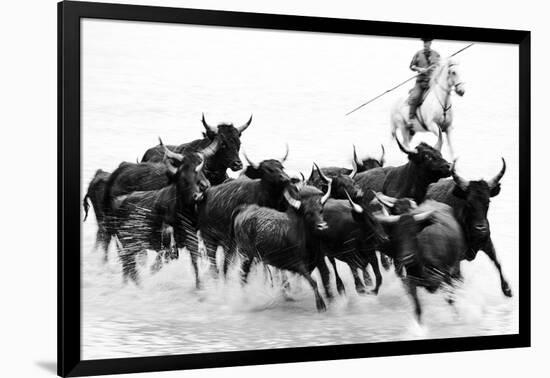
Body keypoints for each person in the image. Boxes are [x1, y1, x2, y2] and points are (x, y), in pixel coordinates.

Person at [408, 38, 441, 124]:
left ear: (430, 43)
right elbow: (411, 66)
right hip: (420, 82)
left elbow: (440, 66)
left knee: (440, 96)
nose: (425, 44)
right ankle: (410, 119)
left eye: (427, 42)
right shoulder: (418, 54)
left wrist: (436, 68)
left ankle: (441, 117)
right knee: (415, 97)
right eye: (424, 42)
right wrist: (419, 69)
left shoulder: (436, 54)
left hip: (432, 82)